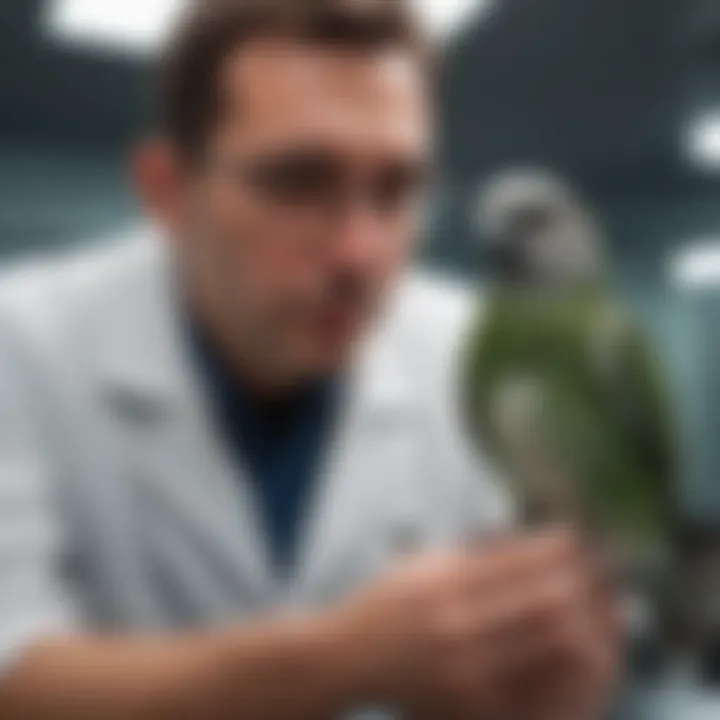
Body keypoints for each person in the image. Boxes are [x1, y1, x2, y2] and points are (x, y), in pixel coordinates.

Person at [0, 2, 622, 718]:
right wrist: (346, 656)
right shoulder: (23, 342)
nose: (360, 254)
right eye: (298, 182)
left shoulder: (470, 356)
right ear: (166, 190)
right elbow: (12, 670)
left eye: (396, 190)